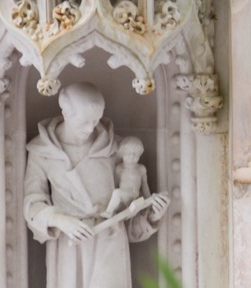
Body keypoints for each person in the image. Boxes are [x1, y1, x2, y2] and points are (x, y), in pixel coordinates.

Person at [24, 83, 170, 288]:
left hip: (109, 241)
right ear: (65, 112)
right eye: (84, 122)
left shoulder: (116, 148)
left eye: (95, 121)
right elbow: (32, 203)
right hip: (69, 245)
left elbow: (128, 213)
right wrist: (60, 219)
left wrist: (152, 216)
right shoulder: (42, 151)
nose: (90, 128)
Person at [101, 136, 148, 219]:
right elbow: (114, 185)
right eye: (128, 154)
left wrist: (149, 198)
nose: (132, 157)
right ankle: (109, 211)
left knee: (117, 193)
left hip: (135, 196)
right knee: (116, 192)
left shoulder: (141, 169)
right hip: (124, 197)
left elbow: (145, 186)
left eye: (135, 154)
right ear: (122, 154)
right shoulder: (119, 168)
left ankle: (110, 211)